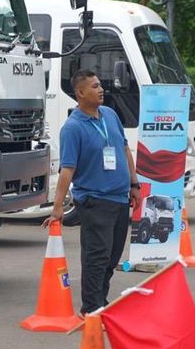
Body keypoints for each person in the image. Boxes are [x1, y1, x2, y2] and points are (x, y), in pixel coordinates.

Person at [44, 69, 141, 315]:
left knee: (111, 258)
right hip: (95, 201)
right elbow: (67, 171)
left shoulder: (109, 115)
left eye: (100, 85)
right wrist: (57, 208)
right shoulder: (73, 128)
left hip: (119, 199)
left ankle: (101, 302)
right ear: (80, 93)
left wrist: (134, 184)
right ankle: (91, 308)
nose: (101, 90)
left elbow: (125, 150)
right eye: (95, 86)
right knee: (96, 259)